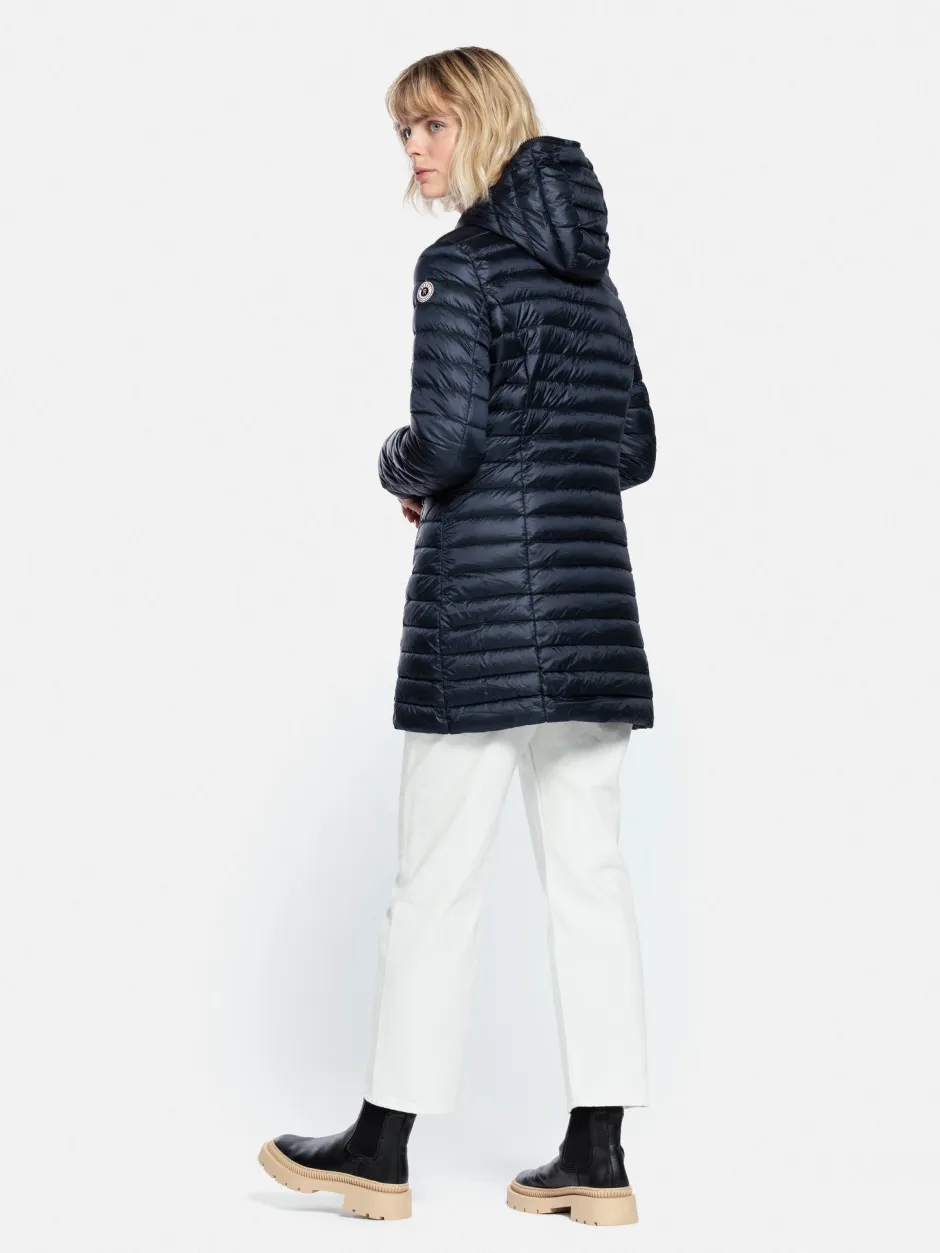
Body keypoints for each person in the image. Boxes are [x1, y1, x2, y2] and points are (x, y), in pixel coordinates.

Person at [258, 46, 656, 1226]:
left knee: (431, 887)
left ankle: (379, 1150)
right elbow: (633, 448)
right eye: (404, 132)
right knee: (592, 883)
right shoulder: (593, 279)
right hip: (590, 618)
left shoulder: (457, 266)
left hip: (480, 616)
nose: (415, 150)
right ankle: (598, 1161)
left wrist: (396, 467)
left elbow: (445, 438)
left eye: (431, 125)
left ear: (483, 121)